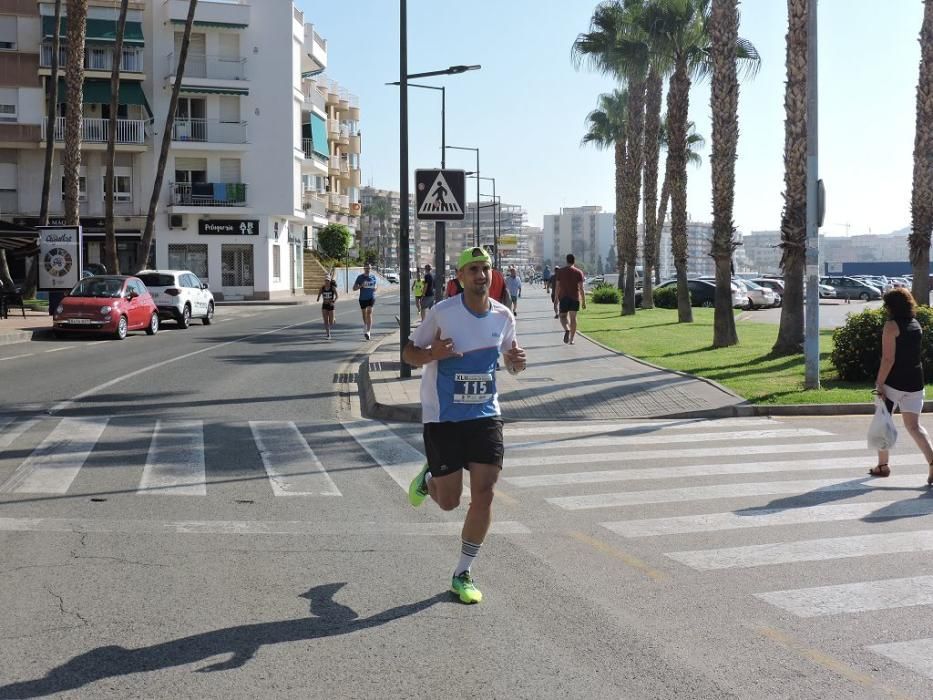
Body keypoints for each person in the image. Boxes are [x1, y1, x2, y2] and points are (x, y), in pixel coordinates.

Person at [402, 246, 527, 605]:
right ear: (460, 277)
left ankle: (462, 572)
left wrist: (517, 363)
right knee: (449, 502)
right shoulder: (443, 313)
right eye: (472, 269)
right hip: (443, 417)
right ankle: (429, 479)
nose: (480, 275)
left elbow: (510, 362)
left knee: (485, 492)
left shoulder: (504, 316)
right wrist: (432, 355)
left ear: (492, 275)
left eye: (485, 269)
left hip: (485, 414)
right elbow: (409, 353)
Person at [869, 287, 933, 485]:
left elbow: (888, 359)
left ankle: (883, 465)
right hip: (915, 381)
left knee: (883, 420)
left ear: (891, 307)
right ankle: (932, 463)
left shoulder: (891, 326)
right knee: (914, 426)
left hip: (893, 383)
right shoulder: (916, 324)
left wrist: (879, 383)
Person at [555, 254, 586, 344]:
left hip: (564, 298)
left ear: (566, 260)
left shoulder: (560, 271)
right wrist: (584, 301)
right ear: (574, 261)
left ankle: (567, 329)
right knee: (573, 318)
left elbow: (557, 286)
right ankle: (572, 339)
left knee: (563, 317)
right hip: (575, 298)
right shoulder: (578, 272)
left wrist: (556, 298)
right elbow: (581, 288)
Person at [352, 262, 377, 340]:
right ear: (364, 268)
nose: (367, 269)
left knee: (369, 312)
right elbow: (354, 288)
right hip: (362, 298)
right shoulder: (360, 277)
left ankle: (368, 332)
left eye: (369, 268)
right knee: (364, 313)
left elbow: (375, 286)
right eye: (366, 268)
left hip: (371, 297)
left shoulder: (373, 277)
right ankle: (365, 325)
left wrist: (375, 288)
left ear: (371, 268)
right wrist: (360, 286)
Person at [316, 275, 338, 339]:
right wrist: (318, 298)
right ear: (324, 281)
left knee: (331, 322)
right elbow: (319, 293)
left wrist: (333, 301)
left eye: (328, 280)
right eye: (326, 280)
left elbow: (337, 296)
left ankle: (333, 318)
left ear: (330, 281)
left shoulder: (333, 288)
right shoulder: (322, 288)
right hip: (324, 305)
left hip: (331, 305)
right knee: (326, 321)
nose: (327, 282)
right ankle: (328, 335)